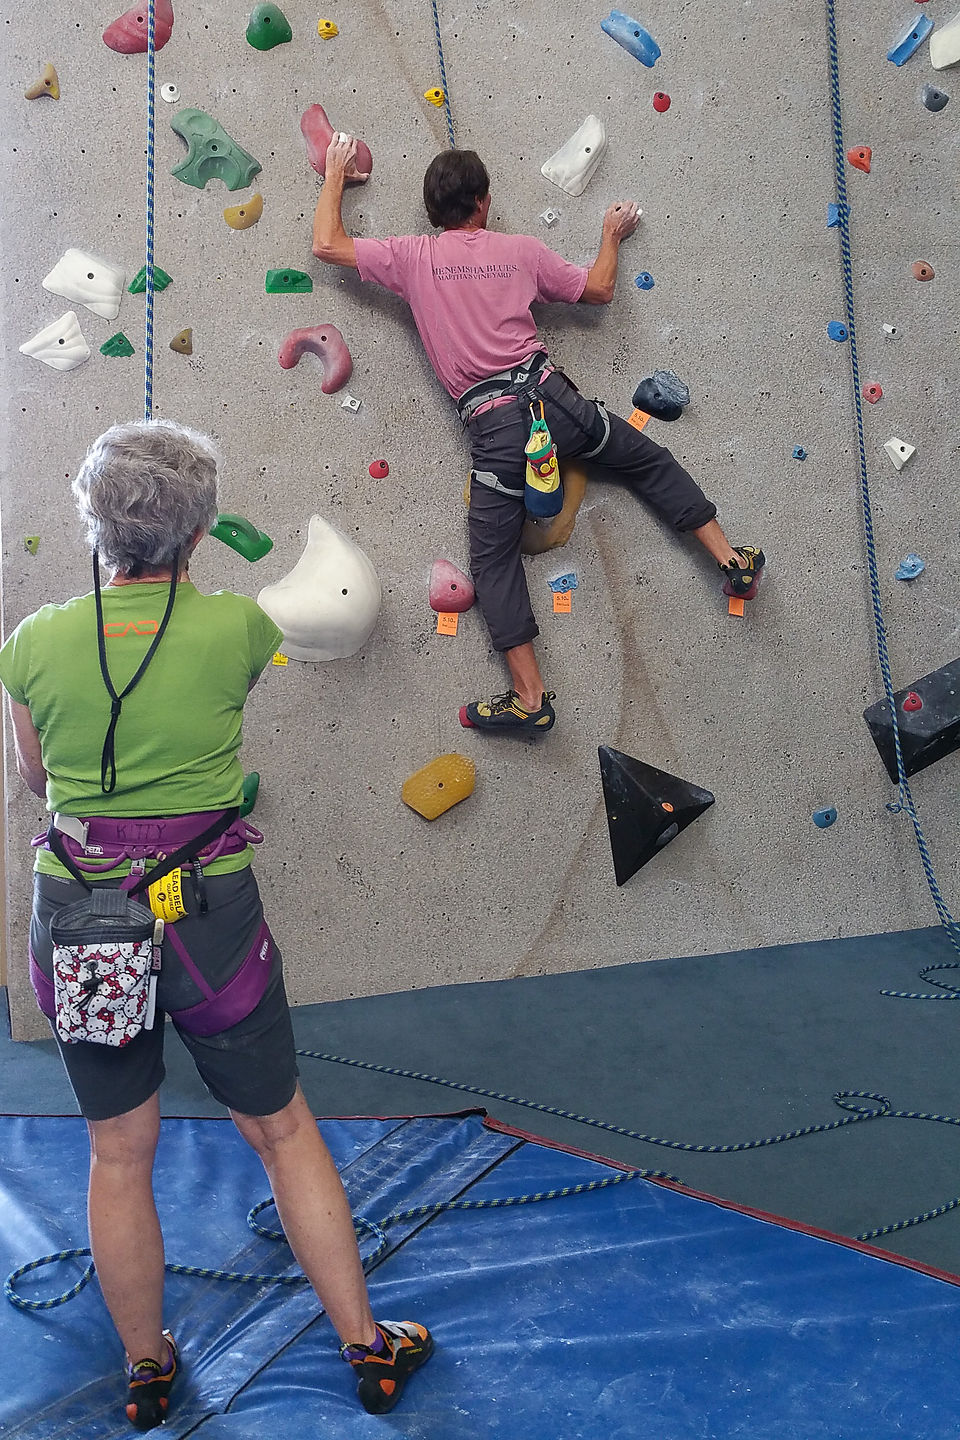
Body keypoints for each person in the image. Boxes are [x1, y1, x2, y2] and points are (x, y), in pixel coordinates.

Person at [0, 420, 432, 1430]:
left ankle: (147, 1366)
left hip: (79, 907)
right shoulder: (237, 630)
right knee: (281, 1129)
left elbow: (35, 780)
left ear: (93, 525)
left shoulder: (31, 642)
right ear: (197, 537)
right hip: (207, 907)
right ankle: (367, 1349)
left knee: (119, 1148)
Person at [312, 142, 765, 736]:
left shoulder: (412, 256)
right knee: (646, 460)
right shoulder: (519, 251)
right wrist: (610, 234)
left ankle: (530, 698)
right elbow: (598, 290)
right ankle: (731, 560)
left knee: (494, 560)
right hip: (555, 404)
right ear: (485, 202)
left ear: (431, 211)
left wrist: (337, 176)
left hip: (496, 428)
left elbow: (326, 243)